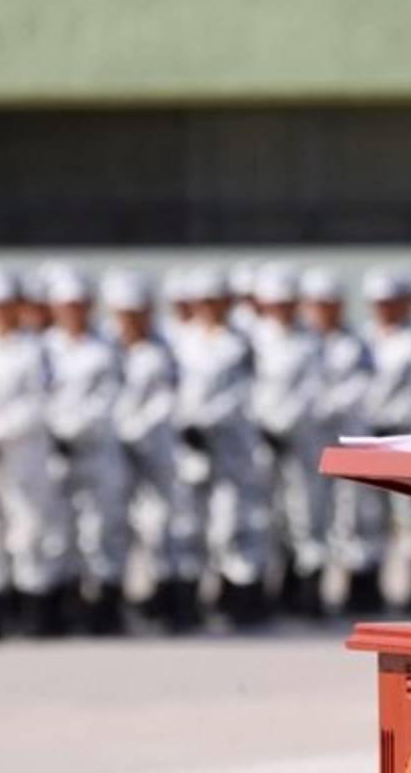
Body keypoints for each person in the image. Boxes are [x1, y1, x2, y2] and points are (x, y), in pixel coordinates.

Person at [0, 267, 71, 637]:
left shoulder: (35, 349)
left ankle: (34, 606)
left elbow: (39, 402)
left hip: (24, 452)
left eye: (8, 305)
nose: (0, 312)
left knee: (29, 528)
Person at [172, 266, 271, 627]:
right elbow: (170, 389)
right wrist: (183, 422)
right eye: (203, 301)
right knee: (188, 524)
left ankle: (240, 598)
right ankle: (188, 599)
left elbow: (241, 394)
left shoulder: (239, 344)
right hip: (188, 448)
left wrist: (205, 421)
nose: (209, 308)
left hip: (230, 448)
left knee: (231, 524)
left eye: (215, 301)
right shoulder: (181, 341)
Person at [102, 270, 198, 632]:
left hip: (155, 453)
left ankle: (171, 598)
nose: (130, 320)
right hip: (112, 454)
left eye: (136, 313)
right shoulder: (106, 348)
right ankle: (112, 601)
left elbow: (165, 402)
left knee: (161, 525)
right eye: (123, 313)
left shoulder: (162, 352)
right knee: (111, 525)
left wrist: (131, 432)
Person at [43, 266, 133, 635]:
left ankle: (106, 605)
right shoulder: (44, 348)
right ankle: (64, 604)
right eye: (66, 305)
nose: (72, 312)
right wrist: (51, 432)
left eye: (78, 305)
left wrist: (70, 431)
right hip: (54, 454)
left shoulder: (104, 349)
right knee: (57, 530)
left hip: (97, 452)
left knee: (102, 530)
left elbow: (106, 401)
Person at [300, 266, 386, 614]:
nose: (324, 311)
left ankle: (361, 588)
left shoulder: (355, 345)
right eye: (318, 304)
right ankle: (310, 591)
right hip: (308, 444)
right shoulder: (301, 344)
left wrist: (323, 406)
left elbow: (360, 389)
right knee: (309, 515)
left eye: (330, 304)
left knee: (354, 514)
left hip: (347, 441)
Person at [249, 262, 328, 617]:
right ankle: (272, 589)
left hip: (300, 441)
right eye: (274, 303)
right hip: (260, 441)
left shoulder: (309, 341)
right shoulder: (254, 338)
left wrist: (283, 426)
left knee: (305, 514)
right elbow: (247, 387)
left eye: (286, 302)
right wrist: (262, 425)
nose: (280, 309)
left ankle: (308, 591)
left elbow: (312, 390)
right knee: (266, 516)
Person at [361, 266, 411, 610]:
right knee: (366, 513)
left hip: (403, 437)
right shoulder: (362, 339)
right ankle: (367, 585)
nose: (384, 309)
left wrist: (391, 423)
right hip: (366, 438)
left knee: (408, 513)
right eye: (379, 303)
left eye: (391, 302)